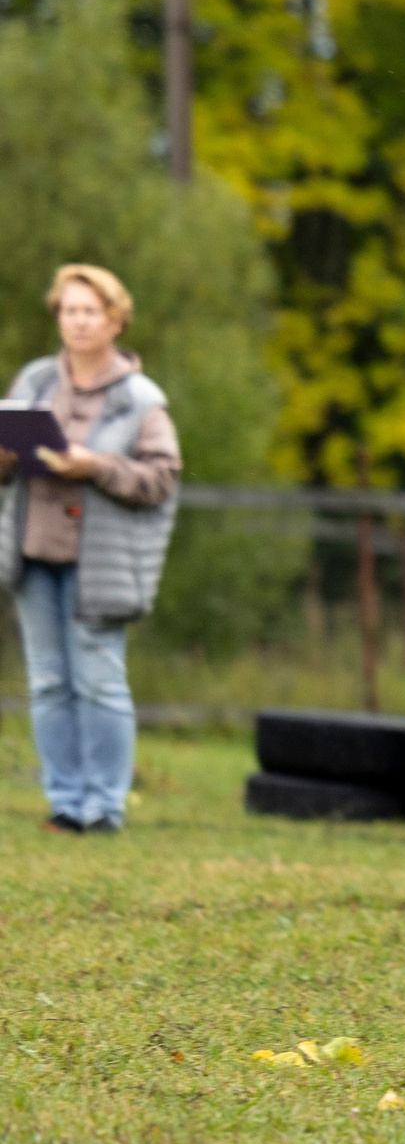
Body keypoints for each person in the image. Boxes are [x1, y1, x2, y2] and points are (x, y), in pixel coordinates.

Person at [0, 265, 183, 834]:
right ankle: (65, 802)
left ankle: (104, 806)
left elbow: (162, 477)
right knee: (49, 682)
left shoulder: (140, 399)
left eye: (90, 311)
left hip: (98, 563)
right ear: (57, 317)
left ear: (115, 321)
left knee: (99, 681)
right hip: (33, 554)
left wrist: (95, 465)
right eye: (69, 310)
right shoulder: (33, 382)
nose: (78, 321)